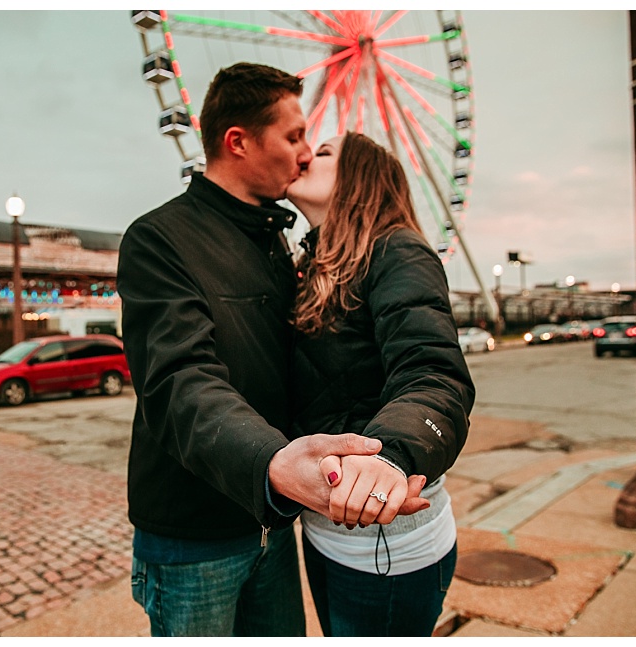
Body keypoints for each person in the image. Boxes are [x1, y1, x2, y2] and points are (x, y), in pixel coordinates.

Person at [116, 63, 426, 637]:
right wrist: (273, 464)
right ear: (238, 141)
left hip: (276, 524)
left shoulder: (278, 245)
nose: (305, 153)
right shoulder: (159, 239)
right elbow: (180, 380)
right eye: (293, 137)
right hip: (195, 534)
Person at [286, 132, 476, 637]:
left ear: (358, 179)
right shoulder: (312, 267)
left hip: (388, 541)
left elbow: (433, 372)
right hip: (326, 526)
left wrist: (390, 455)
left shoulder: (399, 253)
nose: (306, 155)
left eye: (324, 153)